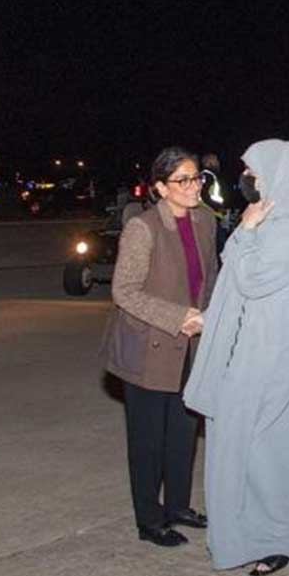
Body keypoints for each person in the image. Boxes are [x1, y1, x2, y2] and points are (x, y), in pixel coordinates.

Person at [183, 139, 289, 576]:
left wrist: (244, 232)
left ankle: (280, 538)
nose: (248, 179)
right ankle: (244, 536)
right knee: (239, 449)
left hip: (276, 363)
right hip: (251, 357)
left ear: (280, 175)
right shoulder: (274, 219)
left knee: (270, 451)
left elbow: (250, 279)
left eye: (255, 171)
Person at [102, 146, 216, 549]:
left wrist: (210, 318)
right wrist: (179, 316)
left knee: (183, 432)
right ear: (161, 188)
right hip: (150, 346)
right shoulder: (143, 228)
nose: (194, 186)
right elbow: (124, 291)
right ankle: (149, 520)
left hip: (191, 345)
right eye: (183, 180)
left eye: (197, 177)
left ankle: (178, 506)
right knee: (148, 440)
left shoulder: (205, 221)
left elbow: (209, 279)